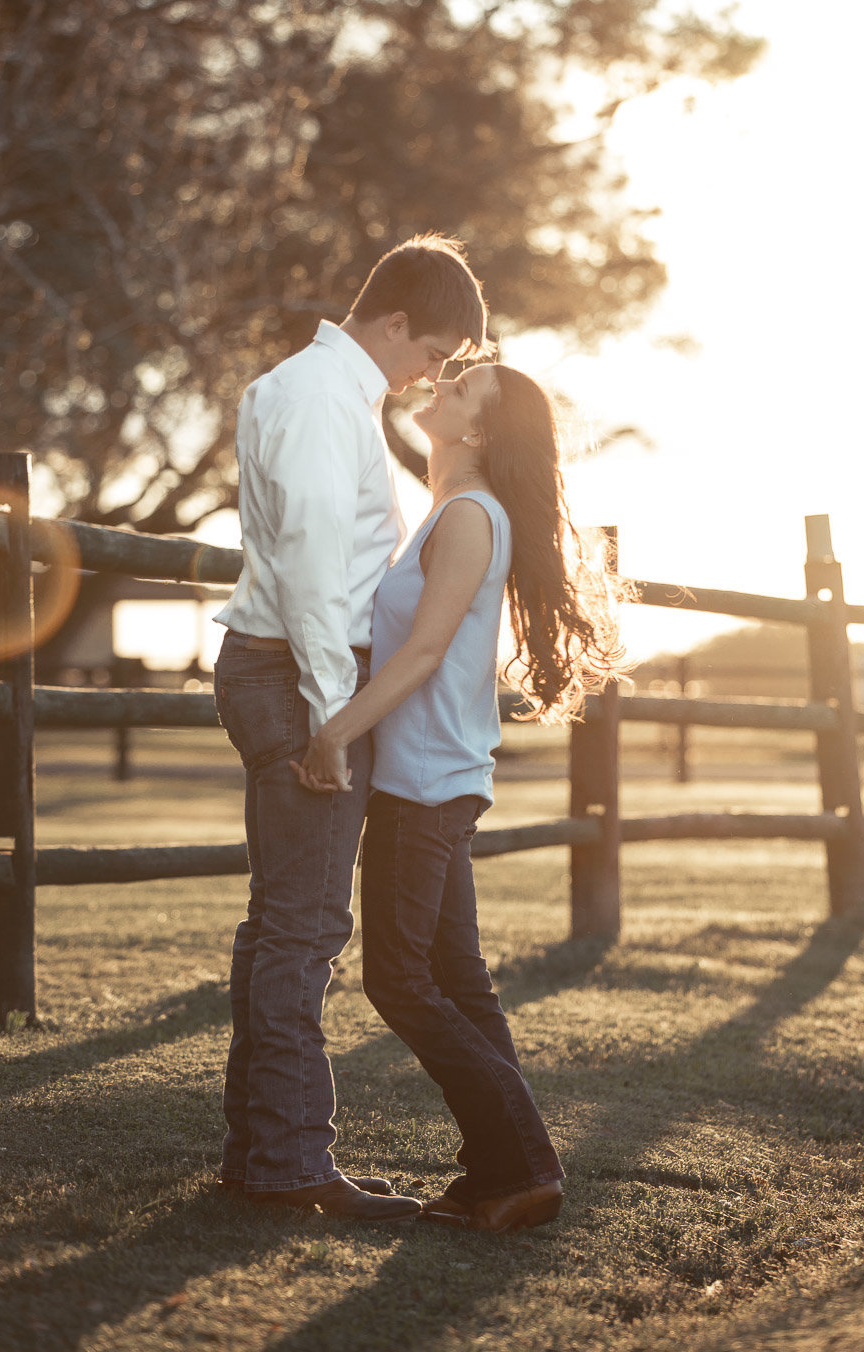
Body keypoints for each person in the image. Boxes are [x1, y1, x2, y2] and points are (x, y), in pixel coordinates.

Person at [294, 361, 622, 1232]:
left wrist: (335, 732)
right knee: (458, 985)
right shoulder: (448, 510)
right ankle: (506, 1174)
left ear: (478, 432)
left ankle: (522, 1165)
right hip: (434, 778)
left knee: (398, 983)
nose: (438, 386)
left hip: (423, 784)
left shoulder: (470, 517)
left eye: (460, 389)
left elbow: (426, 650)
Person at [211, 235, 488, 1221]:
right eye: (437, 350)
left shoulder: (313, 390)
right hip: (301, 677)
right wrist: (330, 718)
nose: (434, 375)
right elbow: (318, 574)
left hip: (283, 670)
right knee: (307, 924)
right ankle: (288, 1169)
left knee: (283, 921)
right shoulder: (327, 402)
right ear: (398, 319)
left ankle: (262, 1158)